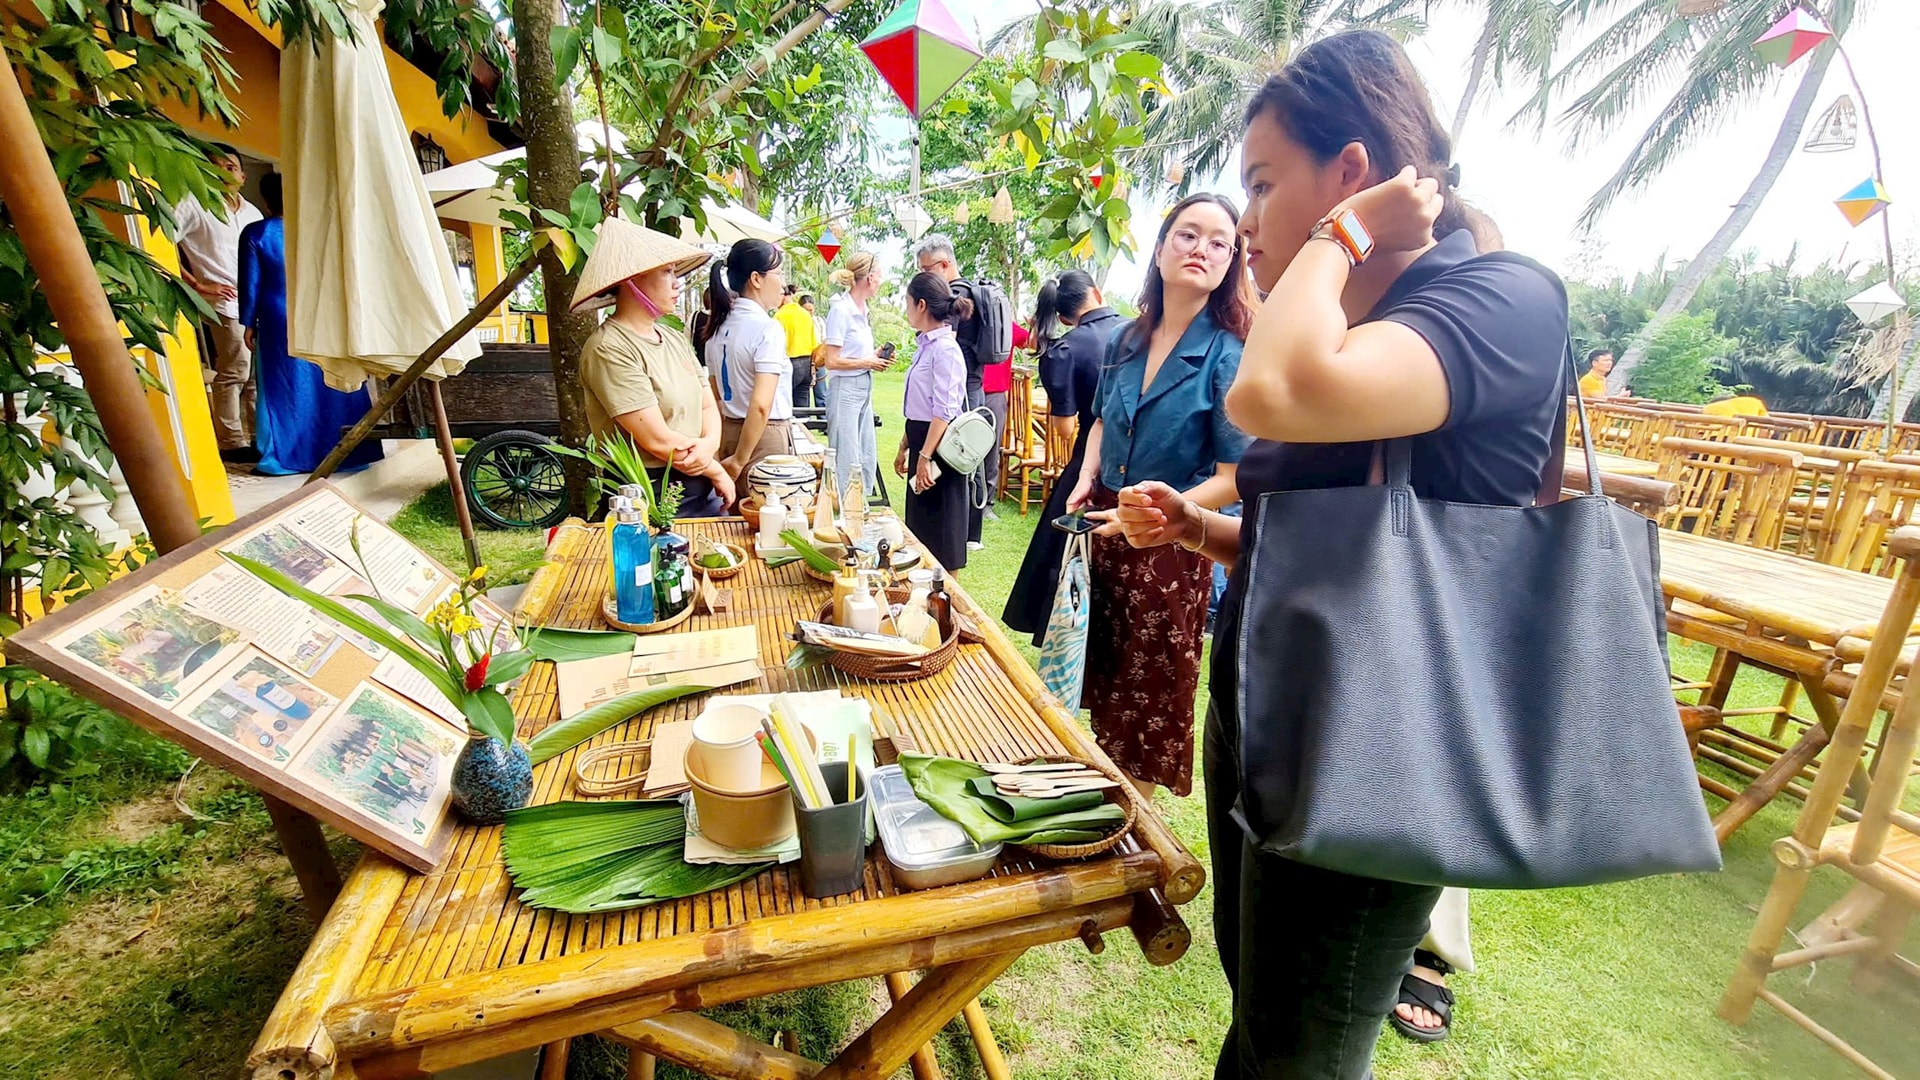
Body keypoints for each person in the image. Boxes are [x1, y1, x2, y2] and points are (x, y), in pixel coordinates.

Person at [1100, 31, 1570, 1078]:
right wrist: (1199, 529)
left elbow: (1268, 392)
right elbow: (1319, 545)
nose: (1247, 223)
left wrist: (1340, 234)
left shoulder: (1503, 299)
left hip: (1377, 753)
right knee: (1265, 1016)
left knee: (1300, 1053)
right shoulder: (1357, 327)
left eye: (1264, 184)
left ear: (1351, 171)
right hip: (1270, 719)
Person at [1072, 193, 1255, 801]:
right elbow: (1101, 420)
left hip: (1173, 545)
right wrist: (1086, 475)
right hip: (1106, 527)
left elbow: (1234, 474)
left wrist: (1162, 515)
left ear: (1231, 263)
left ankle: (1134, 826)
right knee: (1103, 677)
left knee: (1146, 702)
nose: (1202, 249)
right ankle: (1100, 801)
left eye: (1219, 242)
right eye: (1188, 234)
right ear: (1159, 249)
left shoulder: (1229, 353)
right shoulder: (1125, 339)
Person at [570, 217, 735, 517]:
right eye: (666, 271)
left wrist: (710, 447)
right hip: (646, 493)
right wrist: (715, 469)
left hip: (699, 481)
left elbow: (707, 404)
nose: (676, 282)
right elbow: (657, 440)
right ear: (631, 280)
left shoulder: (672, 337)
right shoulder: (609, 348)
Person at [1003, 270, 1122, 644]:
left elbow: (1065, 429)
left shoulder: (1065, 350)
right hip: (1139, 464)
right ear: (1096, 292)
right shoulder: (1135, 332)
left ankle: (1065, 636)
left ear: (1063, 316)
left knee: (1067, 553)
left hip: (1088, 463)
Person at [237, 173, 383, 477]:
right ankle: (349, 451)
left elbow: (251, 283)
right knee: (330, 380)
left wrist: (248, 321)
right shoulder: (320, 230)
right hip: (324, 314)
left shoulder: (257, 232)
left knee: (284, 386)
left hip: (278, 316)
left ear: (265, 200)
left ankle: (283, 458)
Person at [174, 144, 263, 462]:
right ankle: (230, 441)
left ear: (242, 175)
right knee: (235, 371)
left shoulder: (252, 213)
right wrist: (197, 284)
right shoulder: (193, 204)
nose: (223, 172)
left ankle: (259, 438)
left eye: (230, 167)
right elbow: (163, 241)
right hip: (224, 304)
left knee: (257, 377)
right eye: (214, 166)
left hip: (256, 303)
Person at [914, 234, 992, 551]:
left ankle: (968, 533)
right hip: (955, 404)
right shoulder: (929, 340)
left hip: (952, 414)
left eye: (926, 269)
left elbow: (943, 408)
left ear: (944, 265)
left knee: (947, 517)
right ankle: (969, 532)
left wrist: (924, 454)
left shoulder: (944, 341)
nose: (923, 275)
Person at [894, 272, 973, 573]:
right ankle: (924, 594)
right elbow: (919, 405)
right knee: (921, 533)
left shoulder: (945, 350)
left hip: (940, 449)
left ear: (921, 305)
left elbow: (943, 411)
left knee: (944, 537)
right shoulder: (926, 346)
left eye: (908, 302)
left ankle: (947, 597)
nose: (906, 309)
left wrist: (925, 456)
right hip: (922, 442)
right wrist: (905, 445)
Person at [699, 240, 794, 478]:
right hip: (763, 439)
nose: (783, 283)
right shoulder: (767, 329)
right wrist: (740, 459)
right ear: (756, 279)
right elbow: (761, 405)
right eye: (778, 273)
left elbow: (715, 397)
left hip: (728, 432)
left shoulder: (717, 330)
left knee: (733, 503)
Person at [822, 252, 887, 502]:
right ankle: (842, 510)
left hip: (863, 386)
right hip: (845, 388)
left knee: (866, 453)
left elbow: (853, 353)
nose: (880, 280)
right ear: (869, 278)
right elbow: (831, 361)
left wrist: (874, 356)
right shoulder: (841, 310)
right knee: (846, 454)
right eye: (879, 275)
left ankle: (860, 507)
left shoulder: (862, 310)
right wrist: (868, 361)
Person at [774, 285, 820, 411]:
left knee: (783, 404)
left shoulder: (779, 316)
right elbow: (814, 343)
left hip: (790, 363)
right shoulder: (805, 314)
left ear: (782, 296)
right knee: (802, 407)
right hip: (807, 364)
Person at [805, 294, 829, 408]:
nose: (809, 313)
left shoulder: (819, 321)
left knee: (821, 393)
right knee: (803, 395)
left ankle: (823, 418)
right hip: (804, 360)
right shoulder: (799, 323)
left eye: (811, 310)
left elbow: (824, 339)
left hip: (818, 360)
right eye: (806, 310)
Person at [1702, 392, 1768, 417]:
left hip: (1712, 434)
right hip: (1745, 436)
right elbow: (1767, 422)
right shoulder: (1754, 402)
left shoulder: (1709, 407)